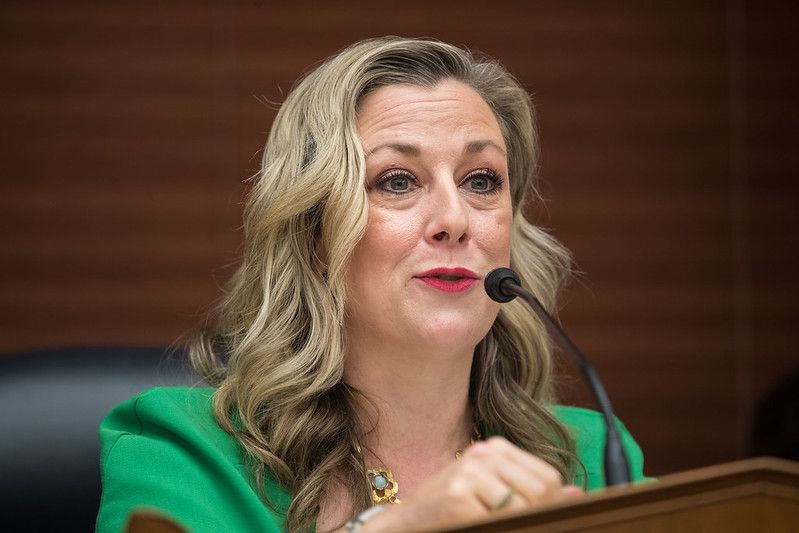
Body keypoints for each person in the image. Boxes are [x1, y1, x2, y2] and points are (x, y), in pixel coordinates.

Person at [96, 36, 647, 533]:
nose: (454, 219)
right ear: (314, 231)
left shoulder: (592, 458)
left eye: (481, 181)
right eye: (397, 181)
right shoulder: (184, 452)